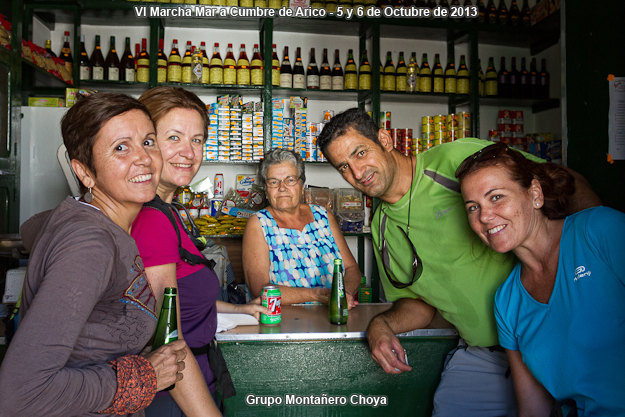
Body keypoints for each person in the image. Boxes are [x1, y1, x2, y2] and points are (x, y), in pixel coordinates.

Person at [317, 107, 601, 416]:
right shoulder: (382, 227)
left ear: (384, 139)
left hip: (558, 335)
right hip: (485, 355)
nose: (357, 173)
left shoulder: (452, 161)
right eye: (343, 167)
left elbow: (564, 181)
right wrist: (382, 325)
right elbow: (418, 305)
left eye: (361, 153)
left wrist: (594, 269)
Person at [0, 93, 188, 416]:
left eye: (148, 141)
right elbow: (19, 393)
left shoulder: (85, 216)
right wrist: (145, 377)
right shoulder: (92, 243)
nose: (144, 158)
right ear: (84, 172)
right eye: (120, 147)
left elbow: (32, 226)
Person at [456, 142, 625, 417]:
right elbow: (534, 409)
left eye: (496, 197)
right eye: (473, 207)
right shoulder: (507, 301)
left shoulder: (600, 231)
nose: (485, 216)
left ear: (535, 193)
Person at [131, 86, 264, 416]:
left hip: (194, 382)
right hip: (175, 397)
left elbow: (183, 298)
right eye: (173, 138)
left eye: (197, 139)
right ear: (146, 144)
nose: (188, 152)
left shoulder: (168, 213)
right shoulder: (151, 219)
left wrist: (246, 309)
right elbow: (167, 338)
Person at [242, 148, 361, 307]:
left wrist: (343, 294)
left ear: (302, 183)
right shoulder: (259, 224)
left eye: (290, 180)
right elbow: (261, 290)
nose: (282, 187)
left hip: (332, 317)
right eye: (273, 182)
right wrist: (318, 295)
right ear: (266, 188)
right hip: (282, 322)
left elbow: (352, 268)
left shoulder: (324, 217)